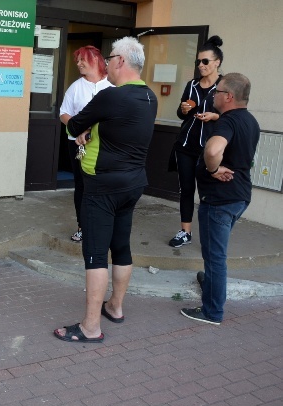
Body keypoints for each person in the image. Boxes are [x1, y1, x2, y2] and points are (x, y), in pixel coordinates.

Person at [54, 37, 157, 343]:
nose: (107, 63)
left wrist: (84, 128)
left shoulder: (111, 96)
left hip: (102, 185)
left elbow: (73, 127)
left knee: (96, 254)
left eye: (110, 57)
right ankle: (115, 307)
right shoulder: (150, 97)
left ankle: (90, 327)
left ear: (121, 61)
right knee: (121, 246)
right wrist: (93, 129)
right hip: (133, 184)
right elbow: (119, 129)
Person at [181, 73, 260, 325]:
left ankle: (212, 312)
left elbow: (213, 149)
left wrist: (213, 170)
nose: (213, 95)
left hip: (220, 200)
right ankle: (212, 283)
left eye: (217, 92)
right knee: (216, 255)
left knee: (215, 256)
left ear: (229, 97)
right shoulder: (250, 121)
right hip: (239, 197)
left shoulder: (228, 122)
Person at [168, 36, 224, 248]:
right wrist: (183, 110)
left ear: (217, 62)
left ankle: (212, 233)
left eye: (205, 61)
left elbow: (232, 117)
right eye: (198, 62)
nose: (201, 65)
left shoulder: (224, 86)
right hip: (185, 146)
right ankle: (185, 231)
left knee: (209, 191)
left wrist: (215, 117)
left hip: (209, 148)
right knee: (186, 189)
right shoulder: (191, 85)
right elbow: (182, 114)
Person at [59, 46, 113, 243]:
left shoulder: (112, 86)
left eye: (83, 60)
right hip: (79, 145)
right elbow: (63, 113)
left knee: (104, 185)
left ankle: (103, 226)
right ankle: (83, 226)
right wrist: (78, 128)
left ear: (97, 60)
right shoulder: (76, 86)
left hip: (106, 145)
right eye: (78, 60)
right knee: (82, 185)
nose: (79, 63)